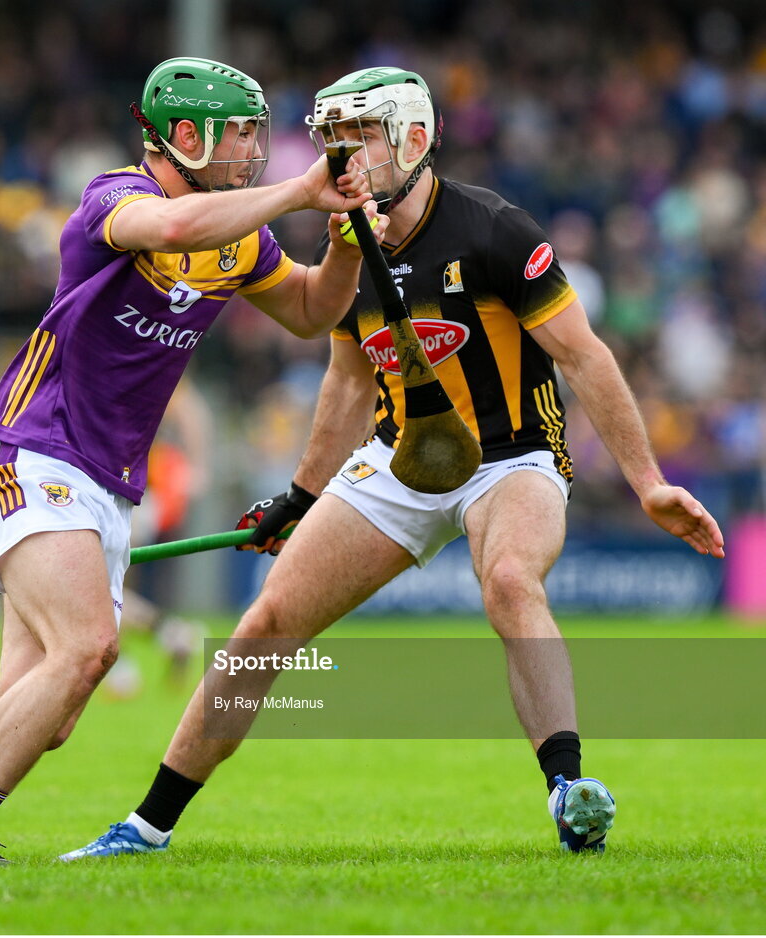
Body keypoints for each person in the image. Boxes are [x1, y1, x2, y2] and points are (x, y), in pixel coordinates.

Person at [60, 66, 726, 861]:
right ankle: (147, 827)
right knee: (265, 624)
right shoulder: (347, 239)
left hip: (512, 455)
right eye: (333, 137)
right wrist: (300, 496)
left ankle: (566, 790)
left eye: (362, 134)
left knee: (510, 580)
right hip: (398, 458)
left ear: (414, 139)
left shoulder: (493, 230)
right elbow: (345, 381)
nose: (344, 153)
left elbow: (585, 358)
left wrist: (649, 483)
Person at [0, 57, 384, 865]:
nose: (254, 152)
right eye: (239, 135)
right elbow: (170, 231)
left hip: (106, 483)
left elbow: (309, 312)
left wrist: (341, 245)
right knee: (90, 649)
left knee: (38, 716)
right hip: (32, 452)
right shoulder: (115, 200)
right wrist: (302, 193)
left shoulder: (241, 238)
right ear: (185, 137)